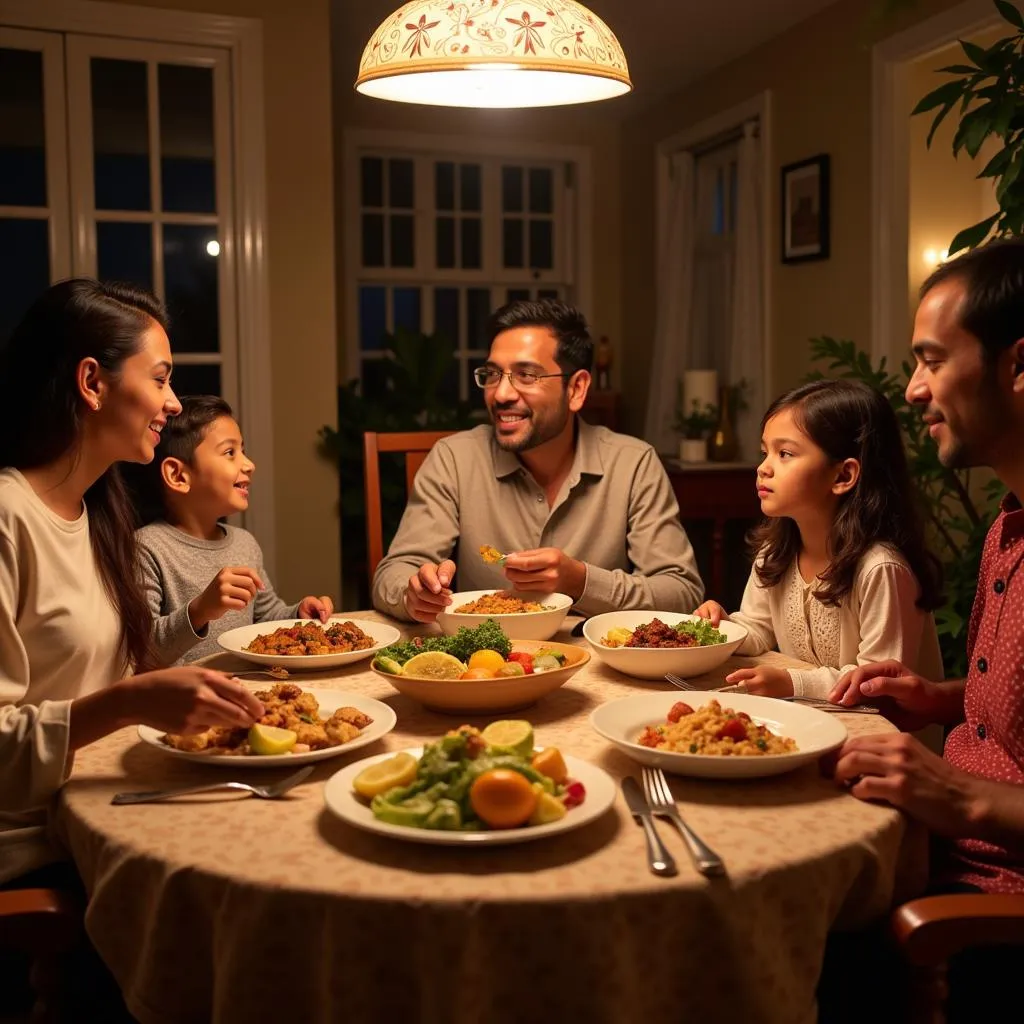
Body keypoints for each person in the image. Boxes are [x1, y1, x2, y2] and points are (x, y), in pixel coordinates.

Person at [0, 280, 265, 1015]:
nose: (174, 403)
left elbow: (133, 673)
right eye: (159, 378)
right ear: (92, 382)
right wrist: (128, 701)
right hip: (36, 847)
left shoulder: (98, 515)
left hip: (105, 804)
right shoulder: (7, 518)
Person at [822, 239, 1024, 1023]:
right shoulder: (1008, 527)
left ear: (1015, 366)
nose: (911, 390)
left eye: (932, 360)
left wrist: (953, 793)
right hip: (925, 855)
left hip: (981, 921)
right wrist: (940, 700)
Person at [371, 298, 704, 623]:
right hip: (485, 667)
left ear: (576, 389)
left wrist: (581, 581)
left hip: (594, 666)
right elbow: (394, 573)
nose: (501, 394)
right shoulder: (454, 459)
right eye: (492, 374)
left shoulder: (633, 464)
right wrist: (412, 592)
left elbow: (681, 591)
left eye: (526, 375)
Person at [693, 379, 943, 699]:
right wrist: (723, 627)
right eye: (764, 452)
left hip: (879, 740)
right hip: (809, 723)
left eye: (784, 453)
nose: (763, 468)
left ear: (843, 476)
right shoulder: (775, 554)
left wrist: (792, 683)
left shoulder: (881, 569)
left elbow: (880, 681)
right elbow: (757, 628)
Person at [134, 395, 334, 666]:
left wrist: (297, 614)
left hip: (248, 691)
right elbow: (142, 651)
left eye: (243, 450)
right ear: (178, 476)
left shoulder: (244, 544)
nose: (249, 464)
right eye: (230, 452)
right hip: (185, 703)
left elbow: (264, 617)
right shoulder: (147, 548)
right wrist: (199, 611)